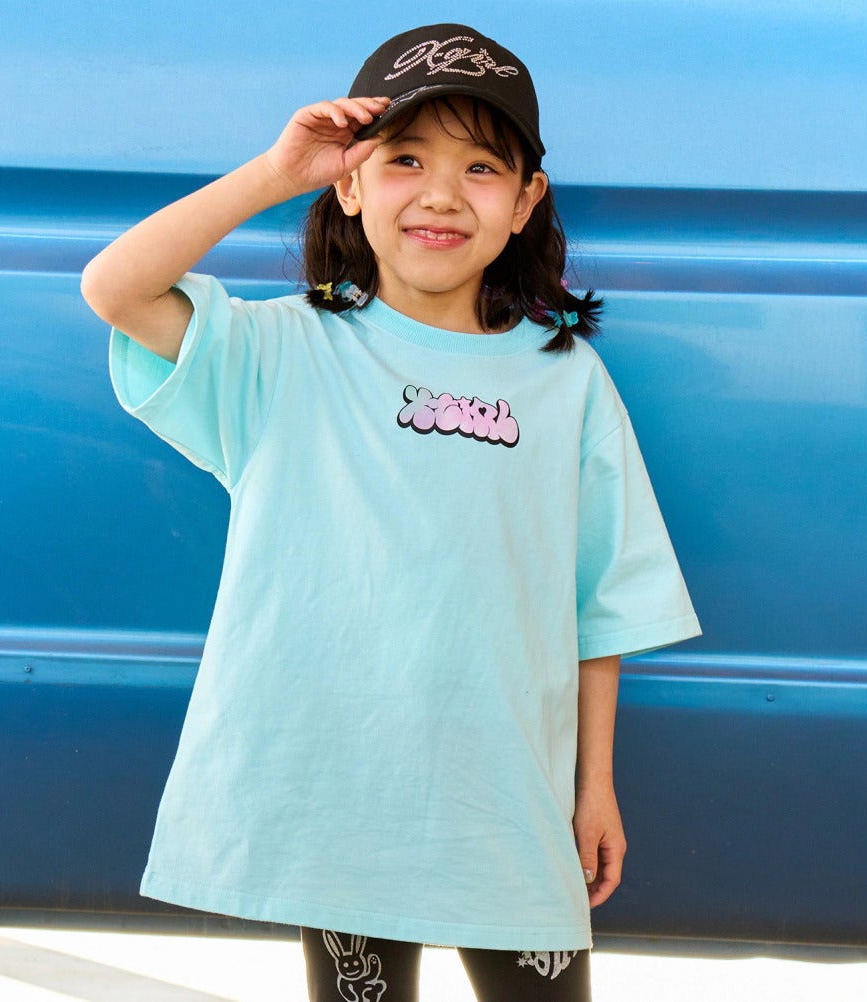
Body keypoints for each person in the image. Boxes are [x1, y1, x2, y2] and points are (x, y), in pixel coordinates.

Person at [82, 23, 700, 1002]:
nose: (442, 194)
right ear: (351, 184)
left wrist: (595, 787)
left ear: (526, 201)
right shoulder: (283, 352)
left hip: (508, 801)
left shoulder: (566, 379)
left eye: (481, 167)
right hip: (343, 805)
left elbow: (602, 604)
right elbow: (115, 287)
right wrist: (274, 173)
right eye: (405, 158)